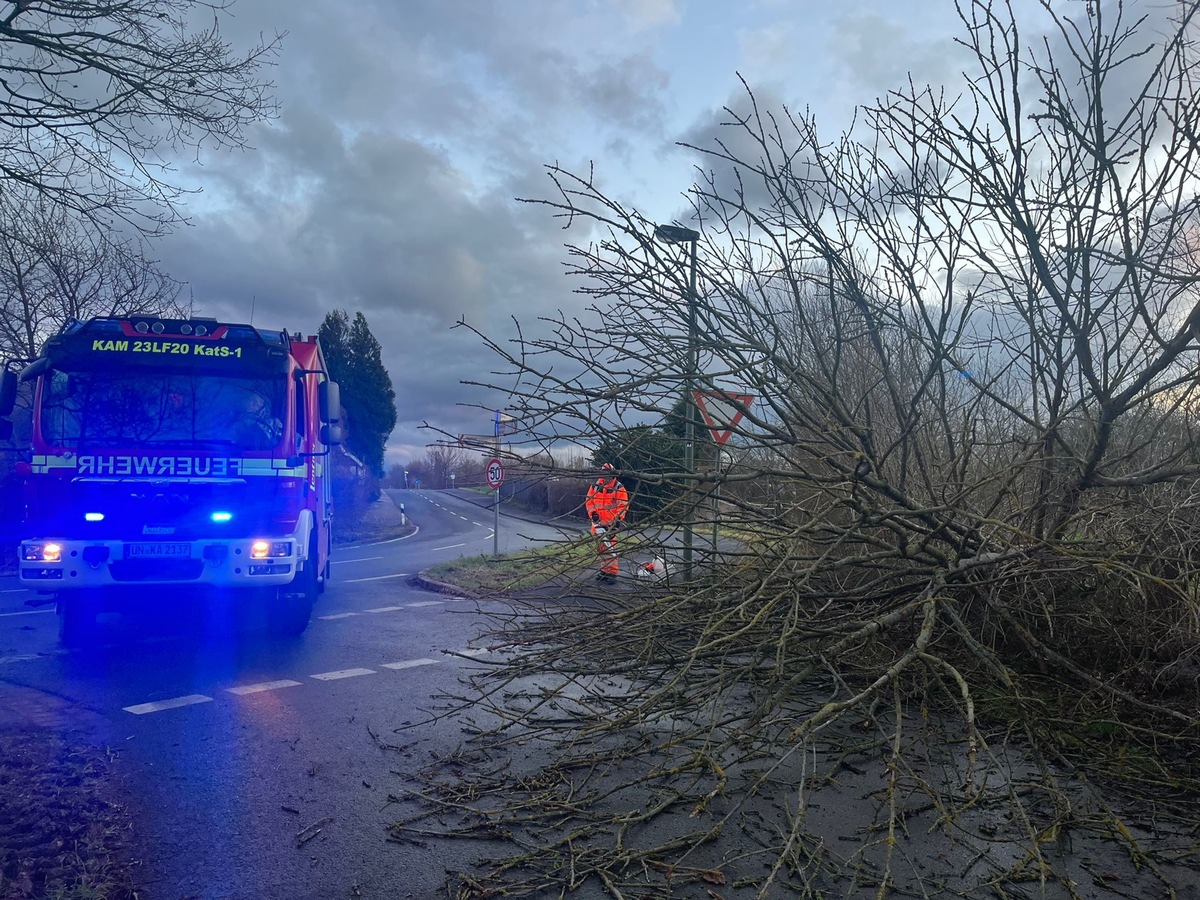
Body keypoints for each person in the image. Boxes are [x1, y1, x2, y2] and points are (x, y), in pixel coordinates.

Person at [585, 463, 629, 584]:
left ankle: (612, 573)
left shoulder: (618, 487)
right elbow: (589, 501)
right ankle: (604, 571)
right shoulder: (595, 486)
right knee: (601, 549)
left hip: (611, 525)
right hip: (597, 524)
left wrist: (617, 521)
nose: (606, 477)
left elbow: (623, 506)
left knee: (610, 549)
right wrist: (593, 513)